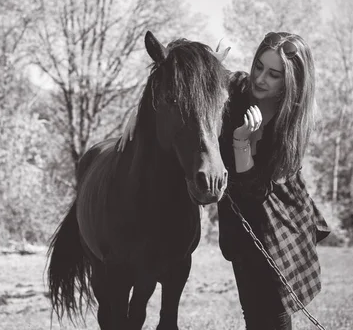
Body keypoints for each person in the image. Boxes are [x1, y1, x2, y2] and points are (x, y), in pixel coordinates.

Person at [118, 32, 330, 330]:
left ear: (290, 82)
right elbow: (181, 78)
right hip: (241, 223)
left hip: (279, 225)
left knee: (274, 312)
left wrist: (243, 141)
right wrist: (139, 113)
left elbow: (254, 190)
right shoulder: (237, 88)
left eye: (274, 74)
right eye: (259, 66)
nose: (260, 78)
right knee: (253, 314)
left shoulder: (290, 126)